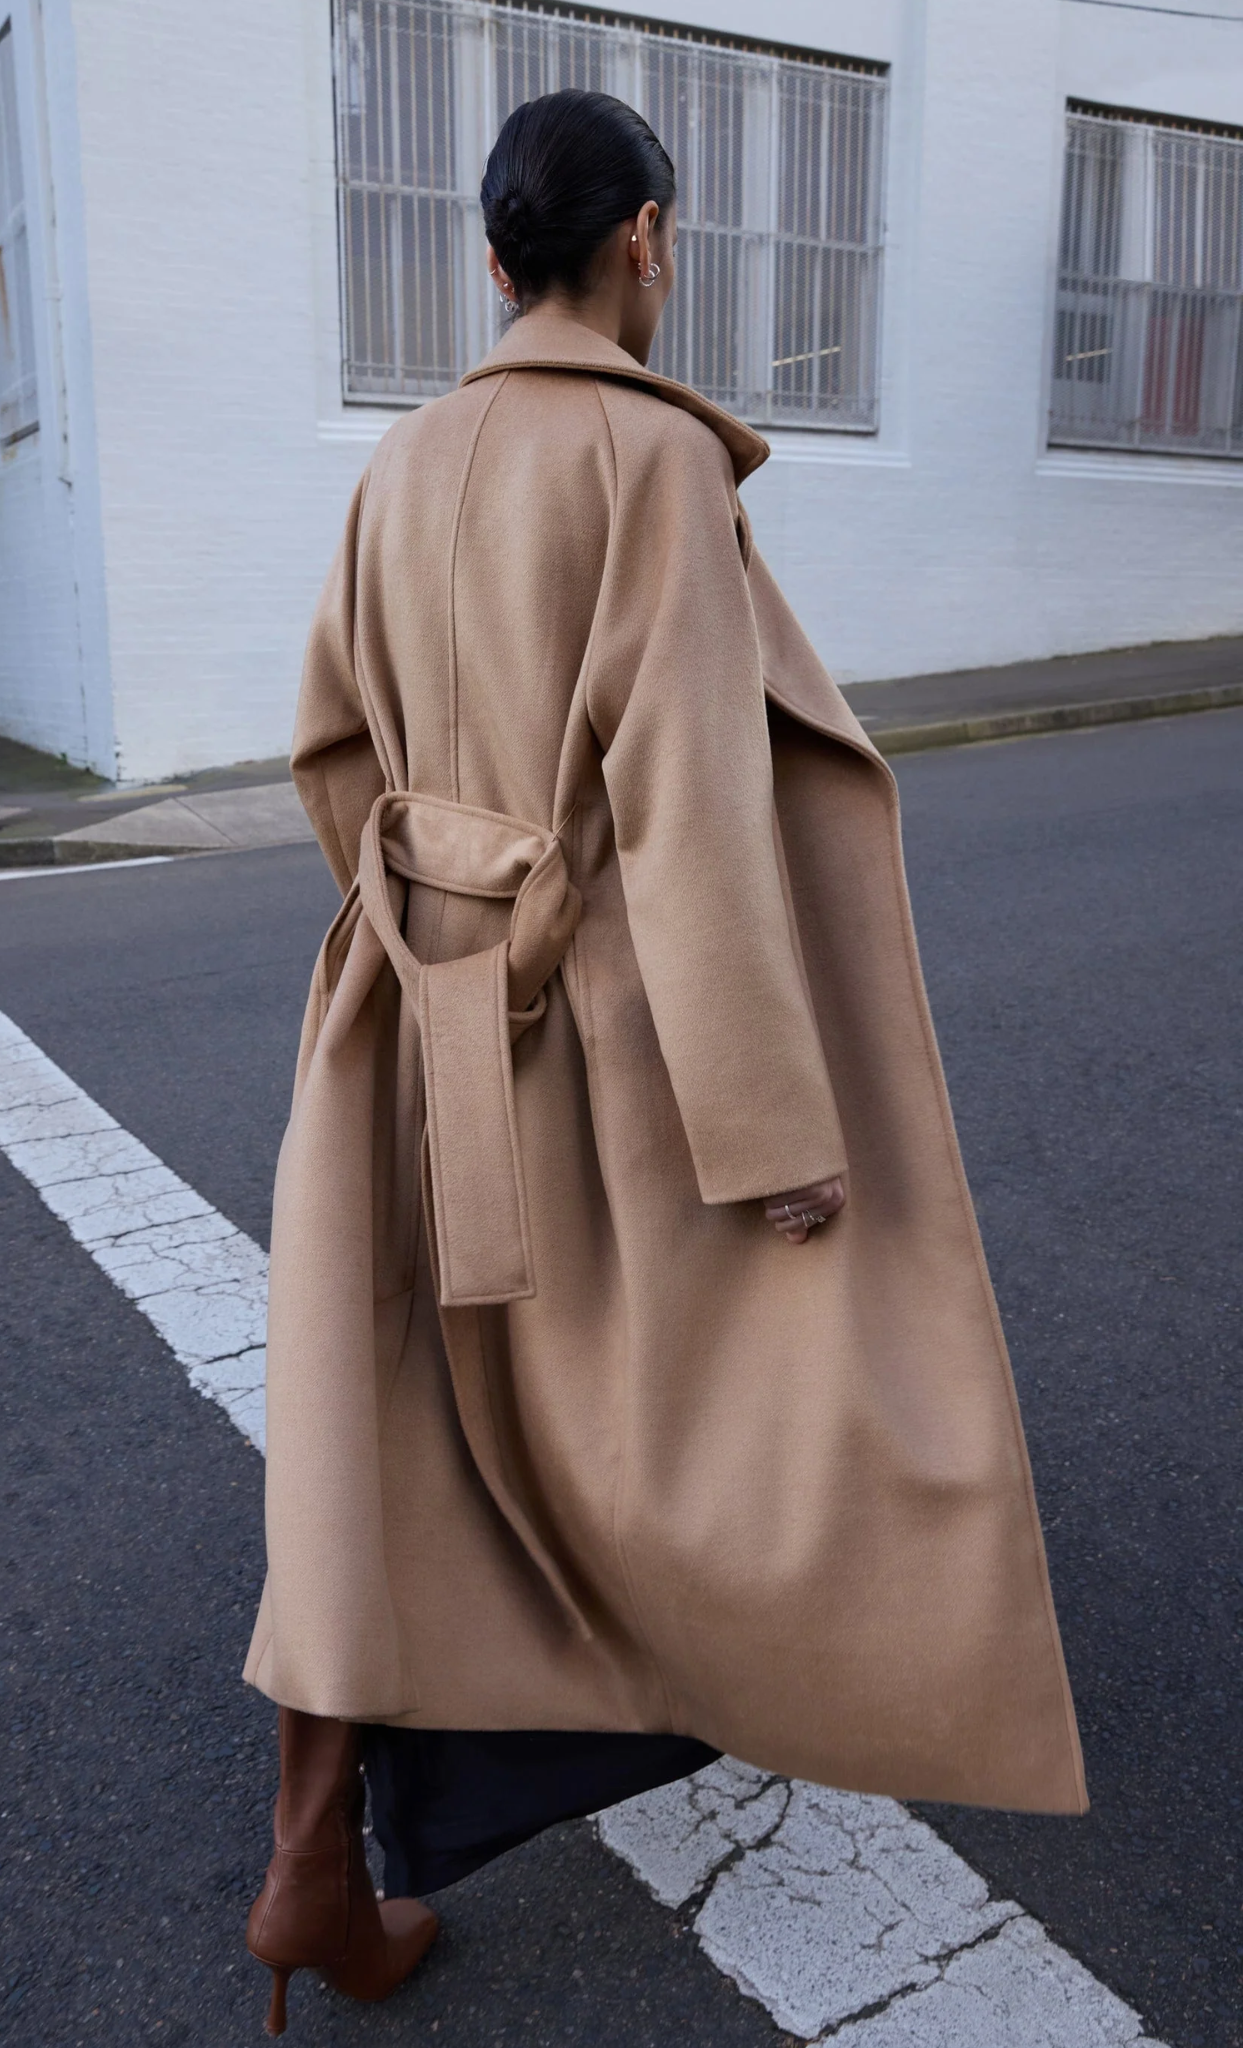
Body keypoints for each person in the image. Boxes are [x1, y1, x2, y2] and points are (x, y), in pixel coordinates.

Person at [242, 88, 1086, 2035]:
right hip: (588, 1022)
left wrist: (425, 927)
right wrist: (770, 1122)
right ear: (646, 242)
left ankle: (312, 1864)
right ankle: (801, 1667)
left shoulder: (402, 465)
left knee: (384, 1419)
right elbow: (692, 817)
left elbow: (329, 753)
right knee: (734, 1392)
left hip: (403, 1009)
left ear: (488, 257)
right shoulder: (652, 471)